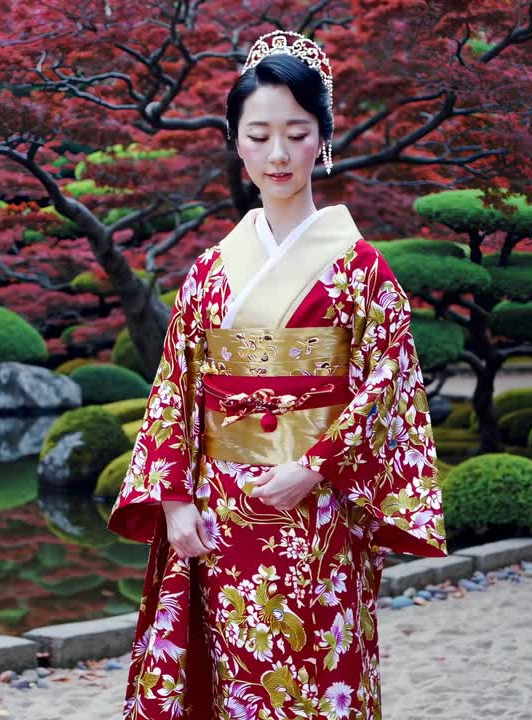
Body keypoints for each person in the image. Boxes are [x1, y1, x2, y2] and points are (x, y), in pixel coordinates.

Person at [107, 29, 447, 720]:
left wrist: (316, 465)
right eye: (259, 134)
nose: (279, 153)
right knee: (230, 676)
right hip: (220, 510)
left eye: (296, 132)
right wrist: (173, 501)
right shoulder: (208, 271)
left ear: (322, 138)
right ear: (237, 143)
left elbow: (389, 385)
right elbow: (176, 387)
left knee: (321, 673)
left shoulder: (361, 269)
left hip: (318, 506)